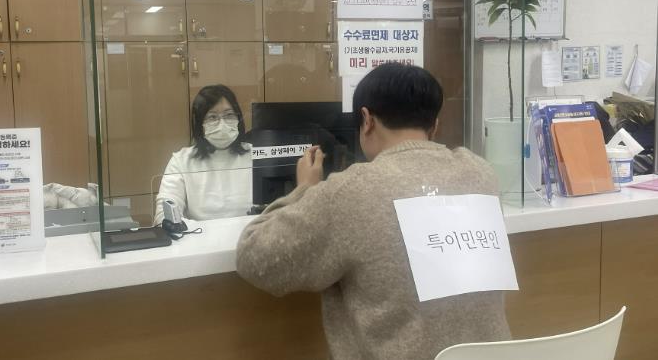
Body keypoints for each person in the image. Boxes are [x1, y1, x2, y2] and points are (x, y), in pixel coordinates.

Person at [236, 64, 510, 359]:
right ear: (434, 126)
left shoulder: (352, 190)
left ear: (366, 120)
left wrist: (304, 191)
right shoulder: (480, 173)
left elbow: (255, 258)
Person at [154, 85, 252, 224]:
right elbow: (164, 214)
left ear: (238, 118)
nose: (222, 124)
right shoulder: (182, 161)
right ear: (200, 124)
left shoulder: (257, 156)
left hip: (251, 235)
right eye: (212, 117)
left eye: (229, 115)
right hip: (200, 236)